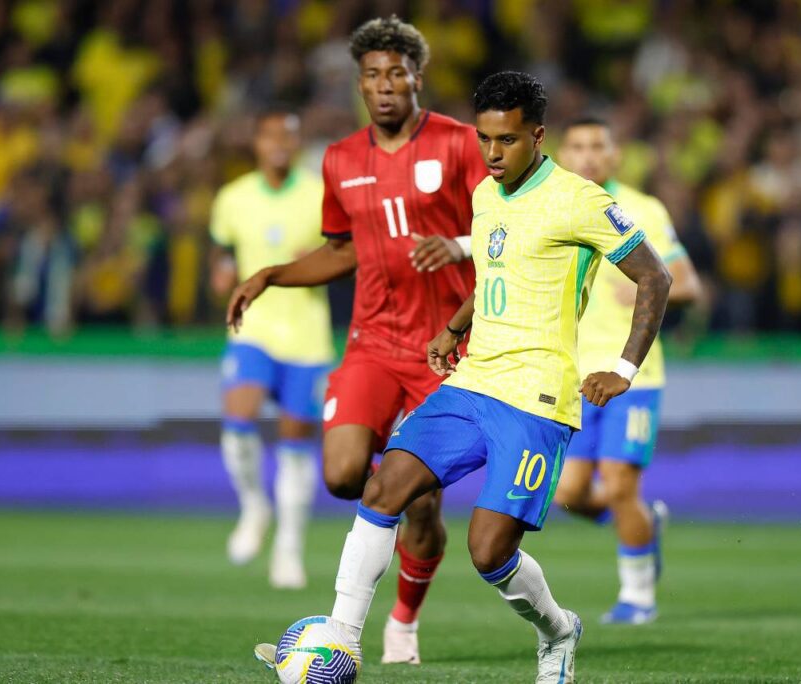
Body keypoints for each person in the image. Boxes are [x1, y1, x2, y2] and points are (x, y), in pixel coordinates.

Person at [256, 71, 673, 683]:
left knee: (488, 551)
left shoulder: (579, 200)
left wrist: (624, 368)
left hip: (536, 395)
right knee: (382, 490)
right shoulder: (484, 194)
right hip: (473, 381)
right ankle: (341, 641)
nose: (492, 154)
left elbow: (655, 277)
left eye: (506, 141)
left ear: (537, 134)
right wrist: (455, 326)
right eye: (484, 140)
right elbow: (493, 273)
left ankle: (558, 631)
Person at [227, 16, 487, 663]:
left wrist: (459, 252)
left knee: (422, 513)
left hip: (442, 353)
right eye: (372, 74)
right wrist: (272, 275)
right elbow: (342, 250)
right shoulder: (341, 160)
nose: (384, 85)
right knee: (344, 473)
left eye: (396, 72)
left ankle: (403, 620)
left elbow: (501, 231)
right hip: (372, 341)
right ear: (359, 84)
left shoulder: (458, 145)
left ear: (417, 78)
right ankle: (391, 485)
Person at [554, 117, 702, 624]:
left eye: (599, 146)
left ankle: (637, 595)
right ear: (561, 153)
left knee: (619, 486)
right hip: (571, 375)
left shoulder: (643, 210)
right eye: (578, 146)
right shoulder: (551, 204)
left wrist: (643, 286)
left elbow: (687, 284)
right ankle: (645, 524)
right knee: (569, 495)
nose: (589, 156)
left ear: (615, 156)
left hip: (632, 374)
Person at [210, 110, 332, 589]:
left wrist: (318, 261)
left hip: (305, 334)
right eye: (270, 135)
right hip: (253, 327)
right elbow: (220, 248)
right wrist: (221, 272)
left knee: (295, 441)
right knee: (238, 416)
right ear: (256, 142)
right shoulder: (233, 197)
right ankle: (254, 505)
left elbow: (347, 255)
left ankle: (289, 549)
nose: (280, 143)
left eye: (289, 136)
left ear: (299, 143)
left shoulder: (321, 194)